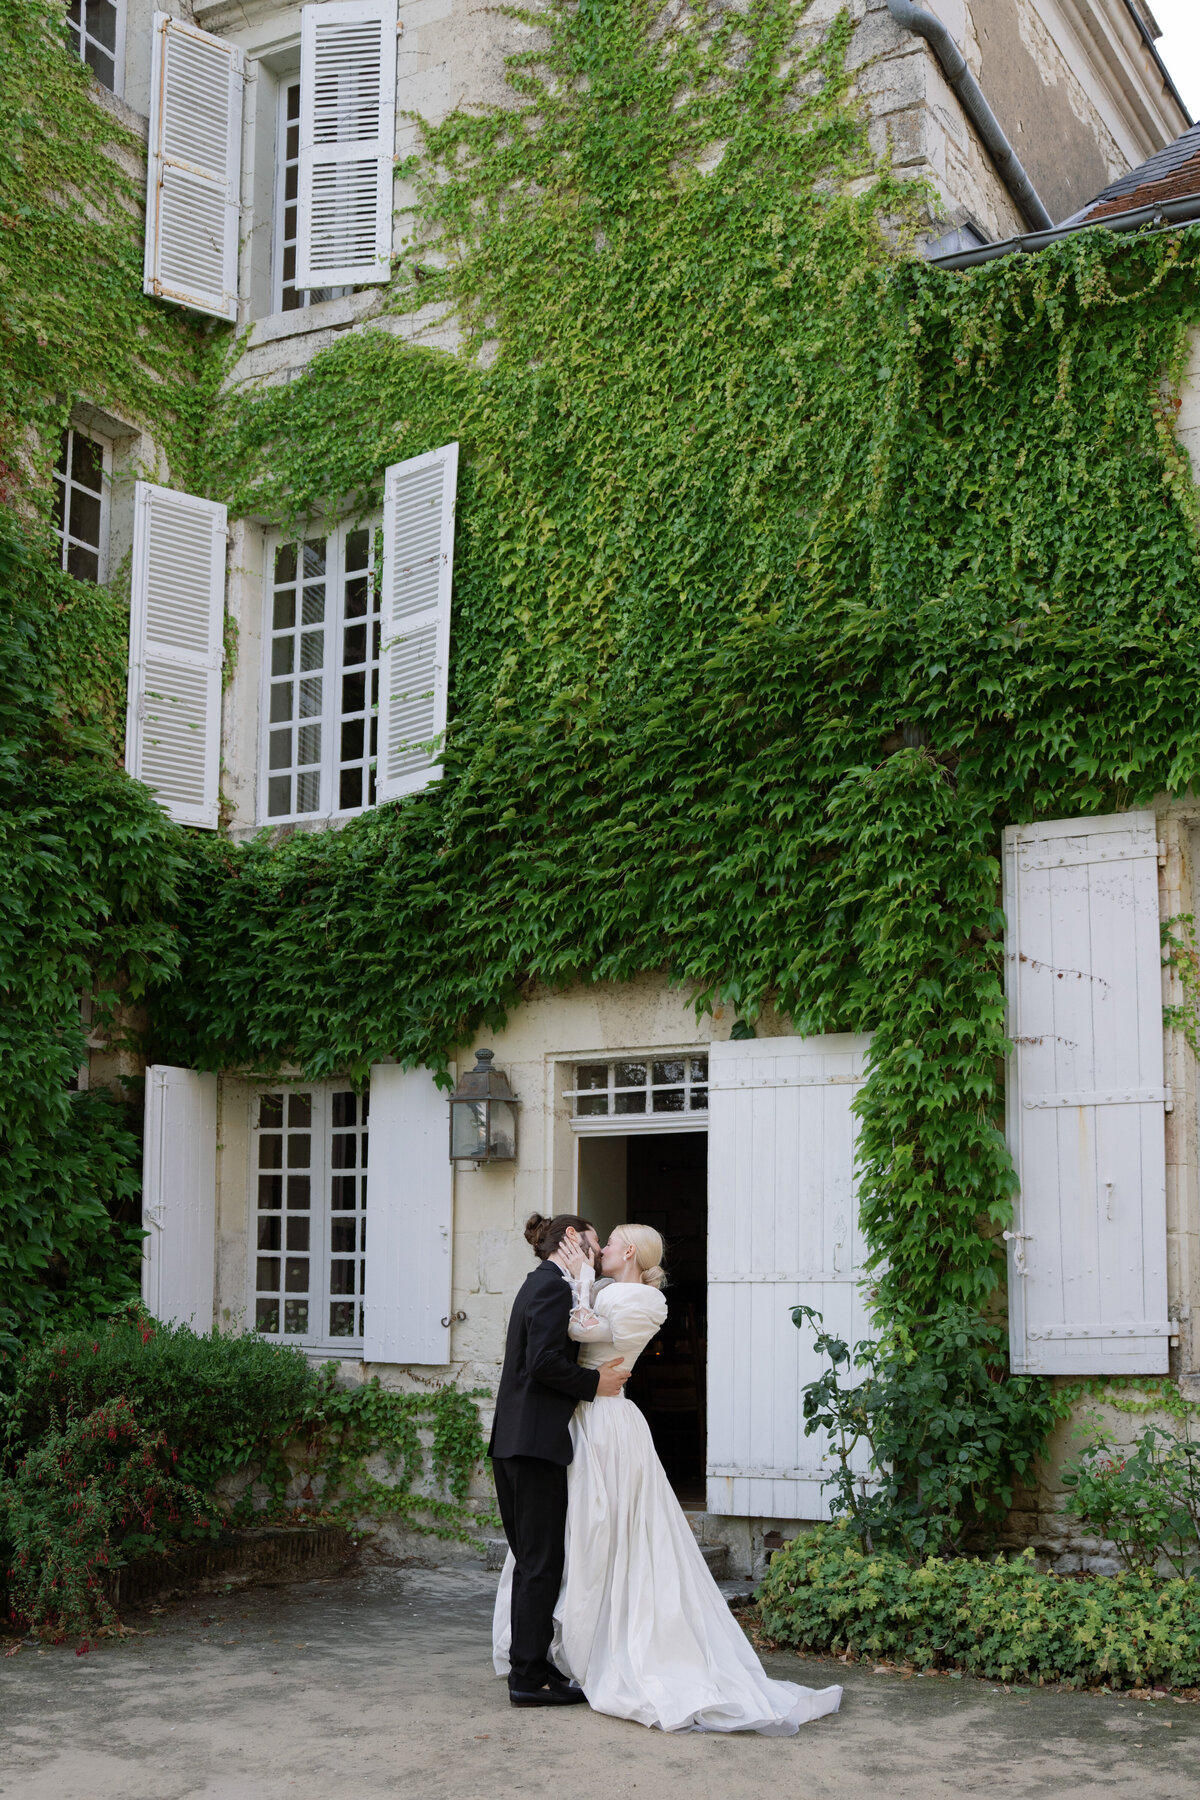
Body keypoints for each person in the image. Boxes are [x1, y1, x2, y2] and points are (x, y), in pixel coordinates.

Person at [494, 1222, 842, 1734]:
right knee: (564, 1547)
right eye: (596, 1240)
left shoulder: (638, 1300)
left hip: (605, 1425)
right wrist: (582, 1284)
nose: (601, 1248)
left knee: (594, 1541)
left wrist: (580, 1283)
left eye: (607, 1242)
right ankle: (539, 1664)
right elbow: (559, 1345)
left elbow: (582, 1331)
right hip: (576, 1421)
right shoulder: (578, 1287)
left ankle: (562, 1660)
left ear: (628, 1250)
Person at [488, 1212, 631, 1707]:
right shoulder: (550, 1287)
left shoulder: (544, 1284)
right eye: (594, 1241)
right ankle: (526, 1680)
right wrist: (596, 1384)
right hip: (531, 1446)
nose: (596, 1251)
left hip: (517, 1442)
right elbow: (543, 1362)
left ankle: (533, 1663)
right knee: (541, 1563)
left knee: (536, 1562)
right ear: (572, 1238)